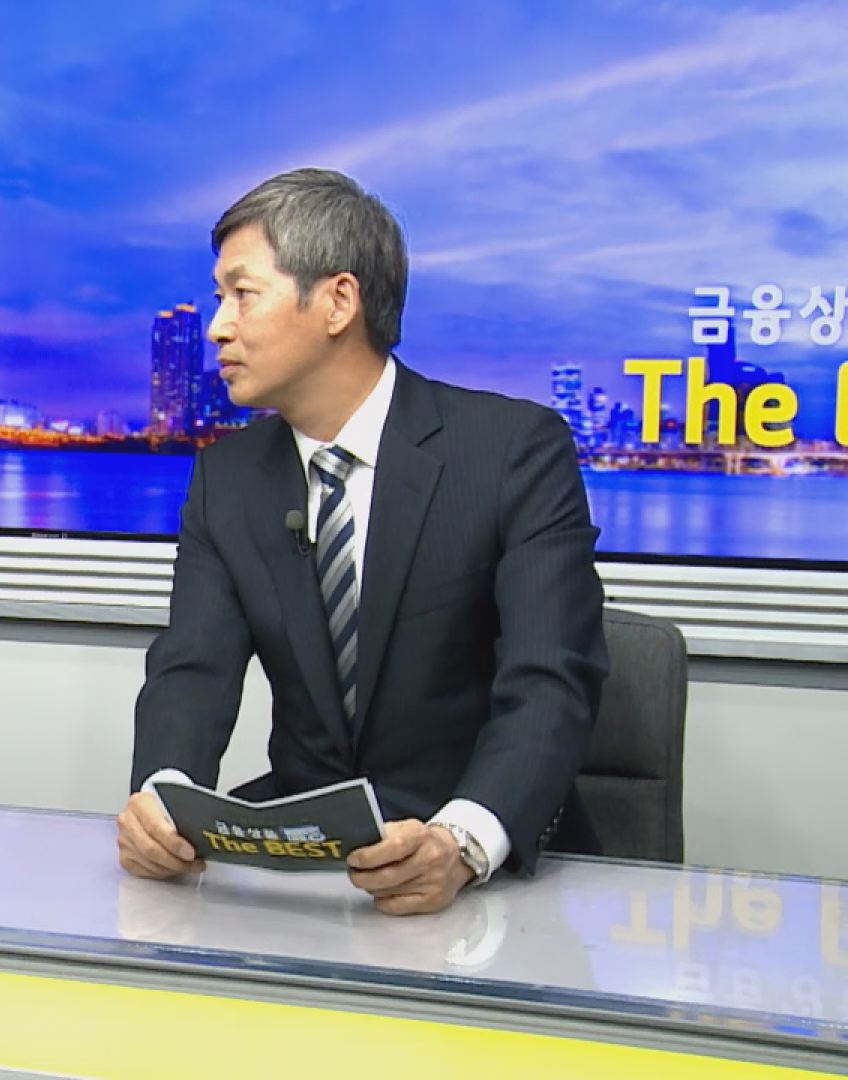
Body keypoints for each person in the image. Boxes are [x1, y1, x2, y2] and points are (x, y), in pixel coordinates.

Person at [116, 169, 607, 914]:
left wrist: (462, 843)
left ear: (338, 301)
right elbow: (193, 668)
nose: (217, 327)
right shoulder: (227, 477)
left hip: (489, 871)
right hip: (307, 871)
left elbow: (551, 680)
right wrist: (164, 799)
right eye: (219, 298)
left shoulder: (512, 451)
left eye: (242, 294)